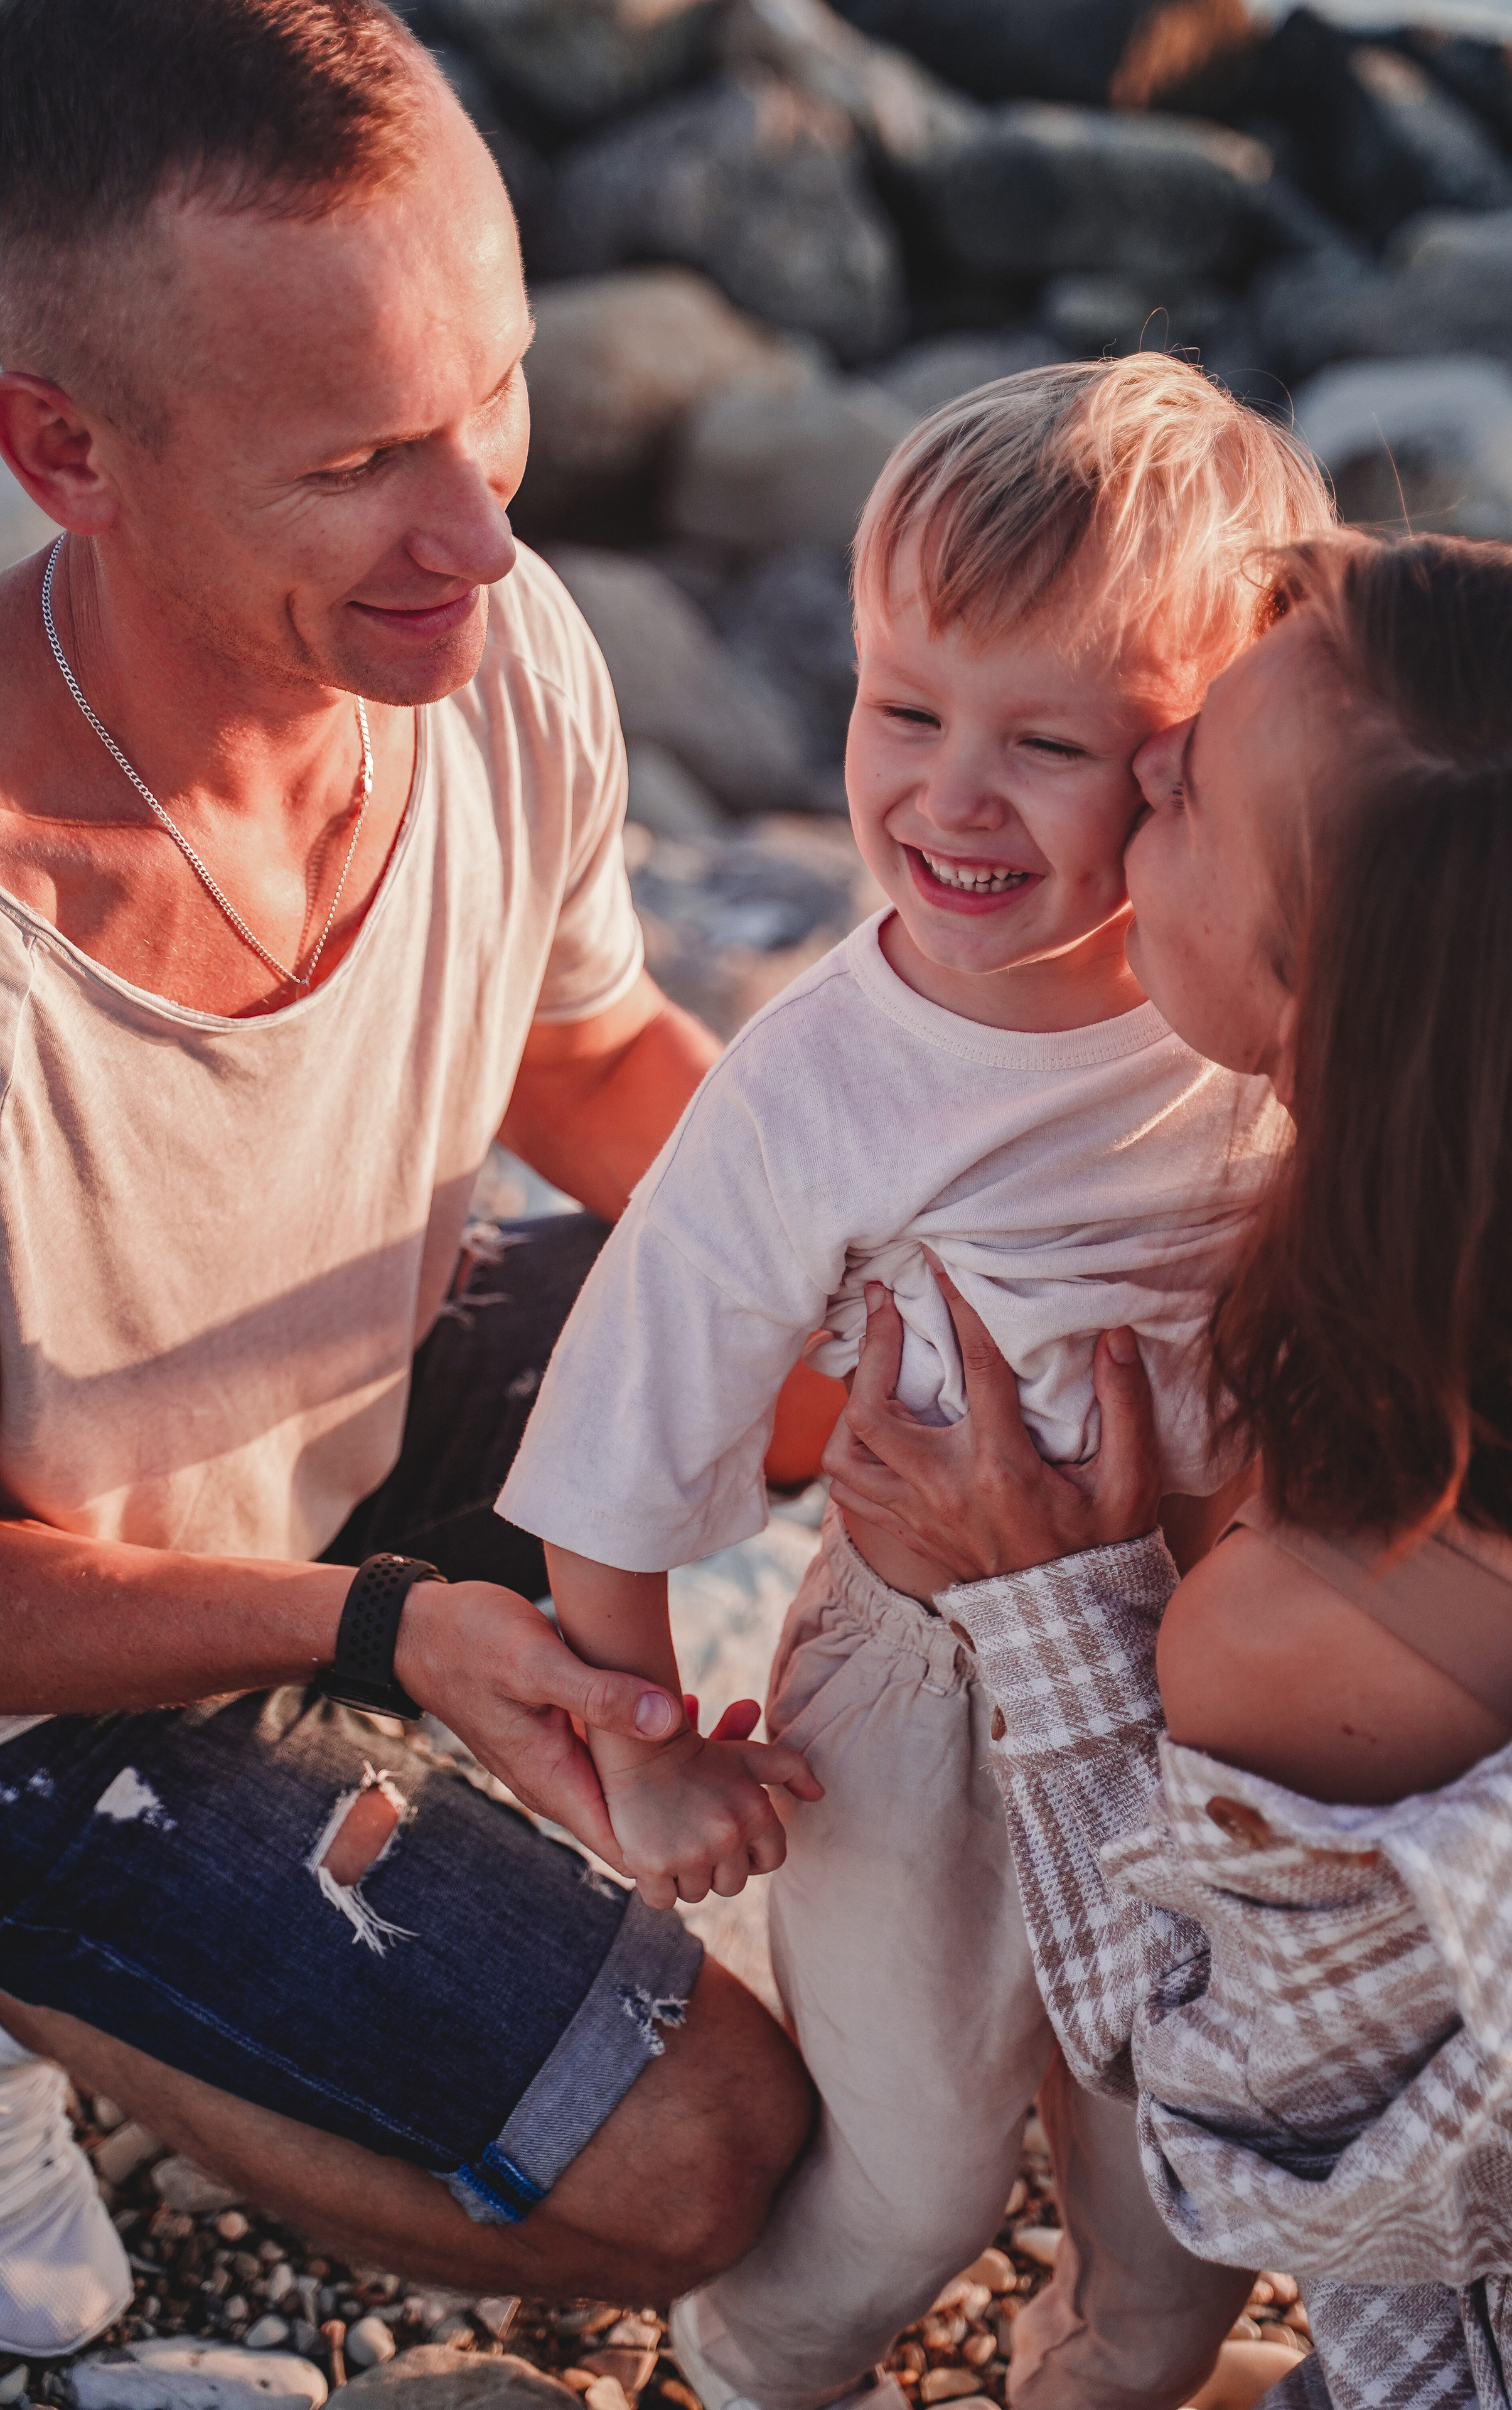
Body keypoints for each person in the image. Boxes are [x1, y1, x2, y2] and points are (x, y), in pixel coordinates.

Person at [0, 0, 825, 2356]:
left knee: (856, 1344)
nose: (478, 527)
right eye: (364, 456)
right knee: (698, 2164)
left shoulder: (484, 644)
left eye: (498, 393)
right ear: (67, 450)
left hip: (313, 1445)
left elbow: (592, 1060)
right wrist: (394, 1645)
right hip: (32, 1651)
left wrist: (922, 1252)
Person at [497, 354, 1334, 2410]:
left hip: (1223, 1692)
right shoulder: (828, 1071)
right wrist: (647, 1744)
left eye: (1049, 741)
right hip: (926, 1692)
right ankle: (763, 2371)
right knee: (915, 2171)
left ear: (1209, 760)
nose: (950, 797)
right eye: (900, 709)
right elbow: (633, 1414)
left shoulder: (1272, 1000)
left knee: (1191, 2202)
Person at [827, 531, 1512, 2409]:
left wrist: (1052, 1611)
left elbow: (1223, 2115)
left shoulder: (1352, 1610)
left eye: (1170, 798)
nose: (1122, 794)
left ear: (1322, 1004)